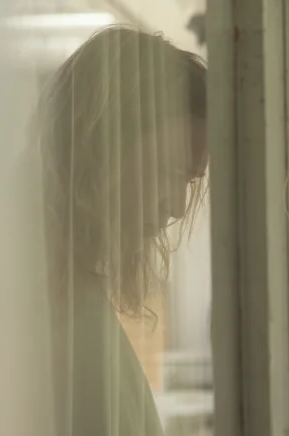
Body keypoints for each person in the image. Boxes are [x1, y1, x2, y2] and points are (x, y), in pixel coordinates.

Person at [28, 26, 208, 436]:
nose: (177, 207)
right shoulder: (21, 301)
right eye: (168, 170)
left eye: (189, 181)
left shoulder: (73, 293)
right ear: (96, 149)